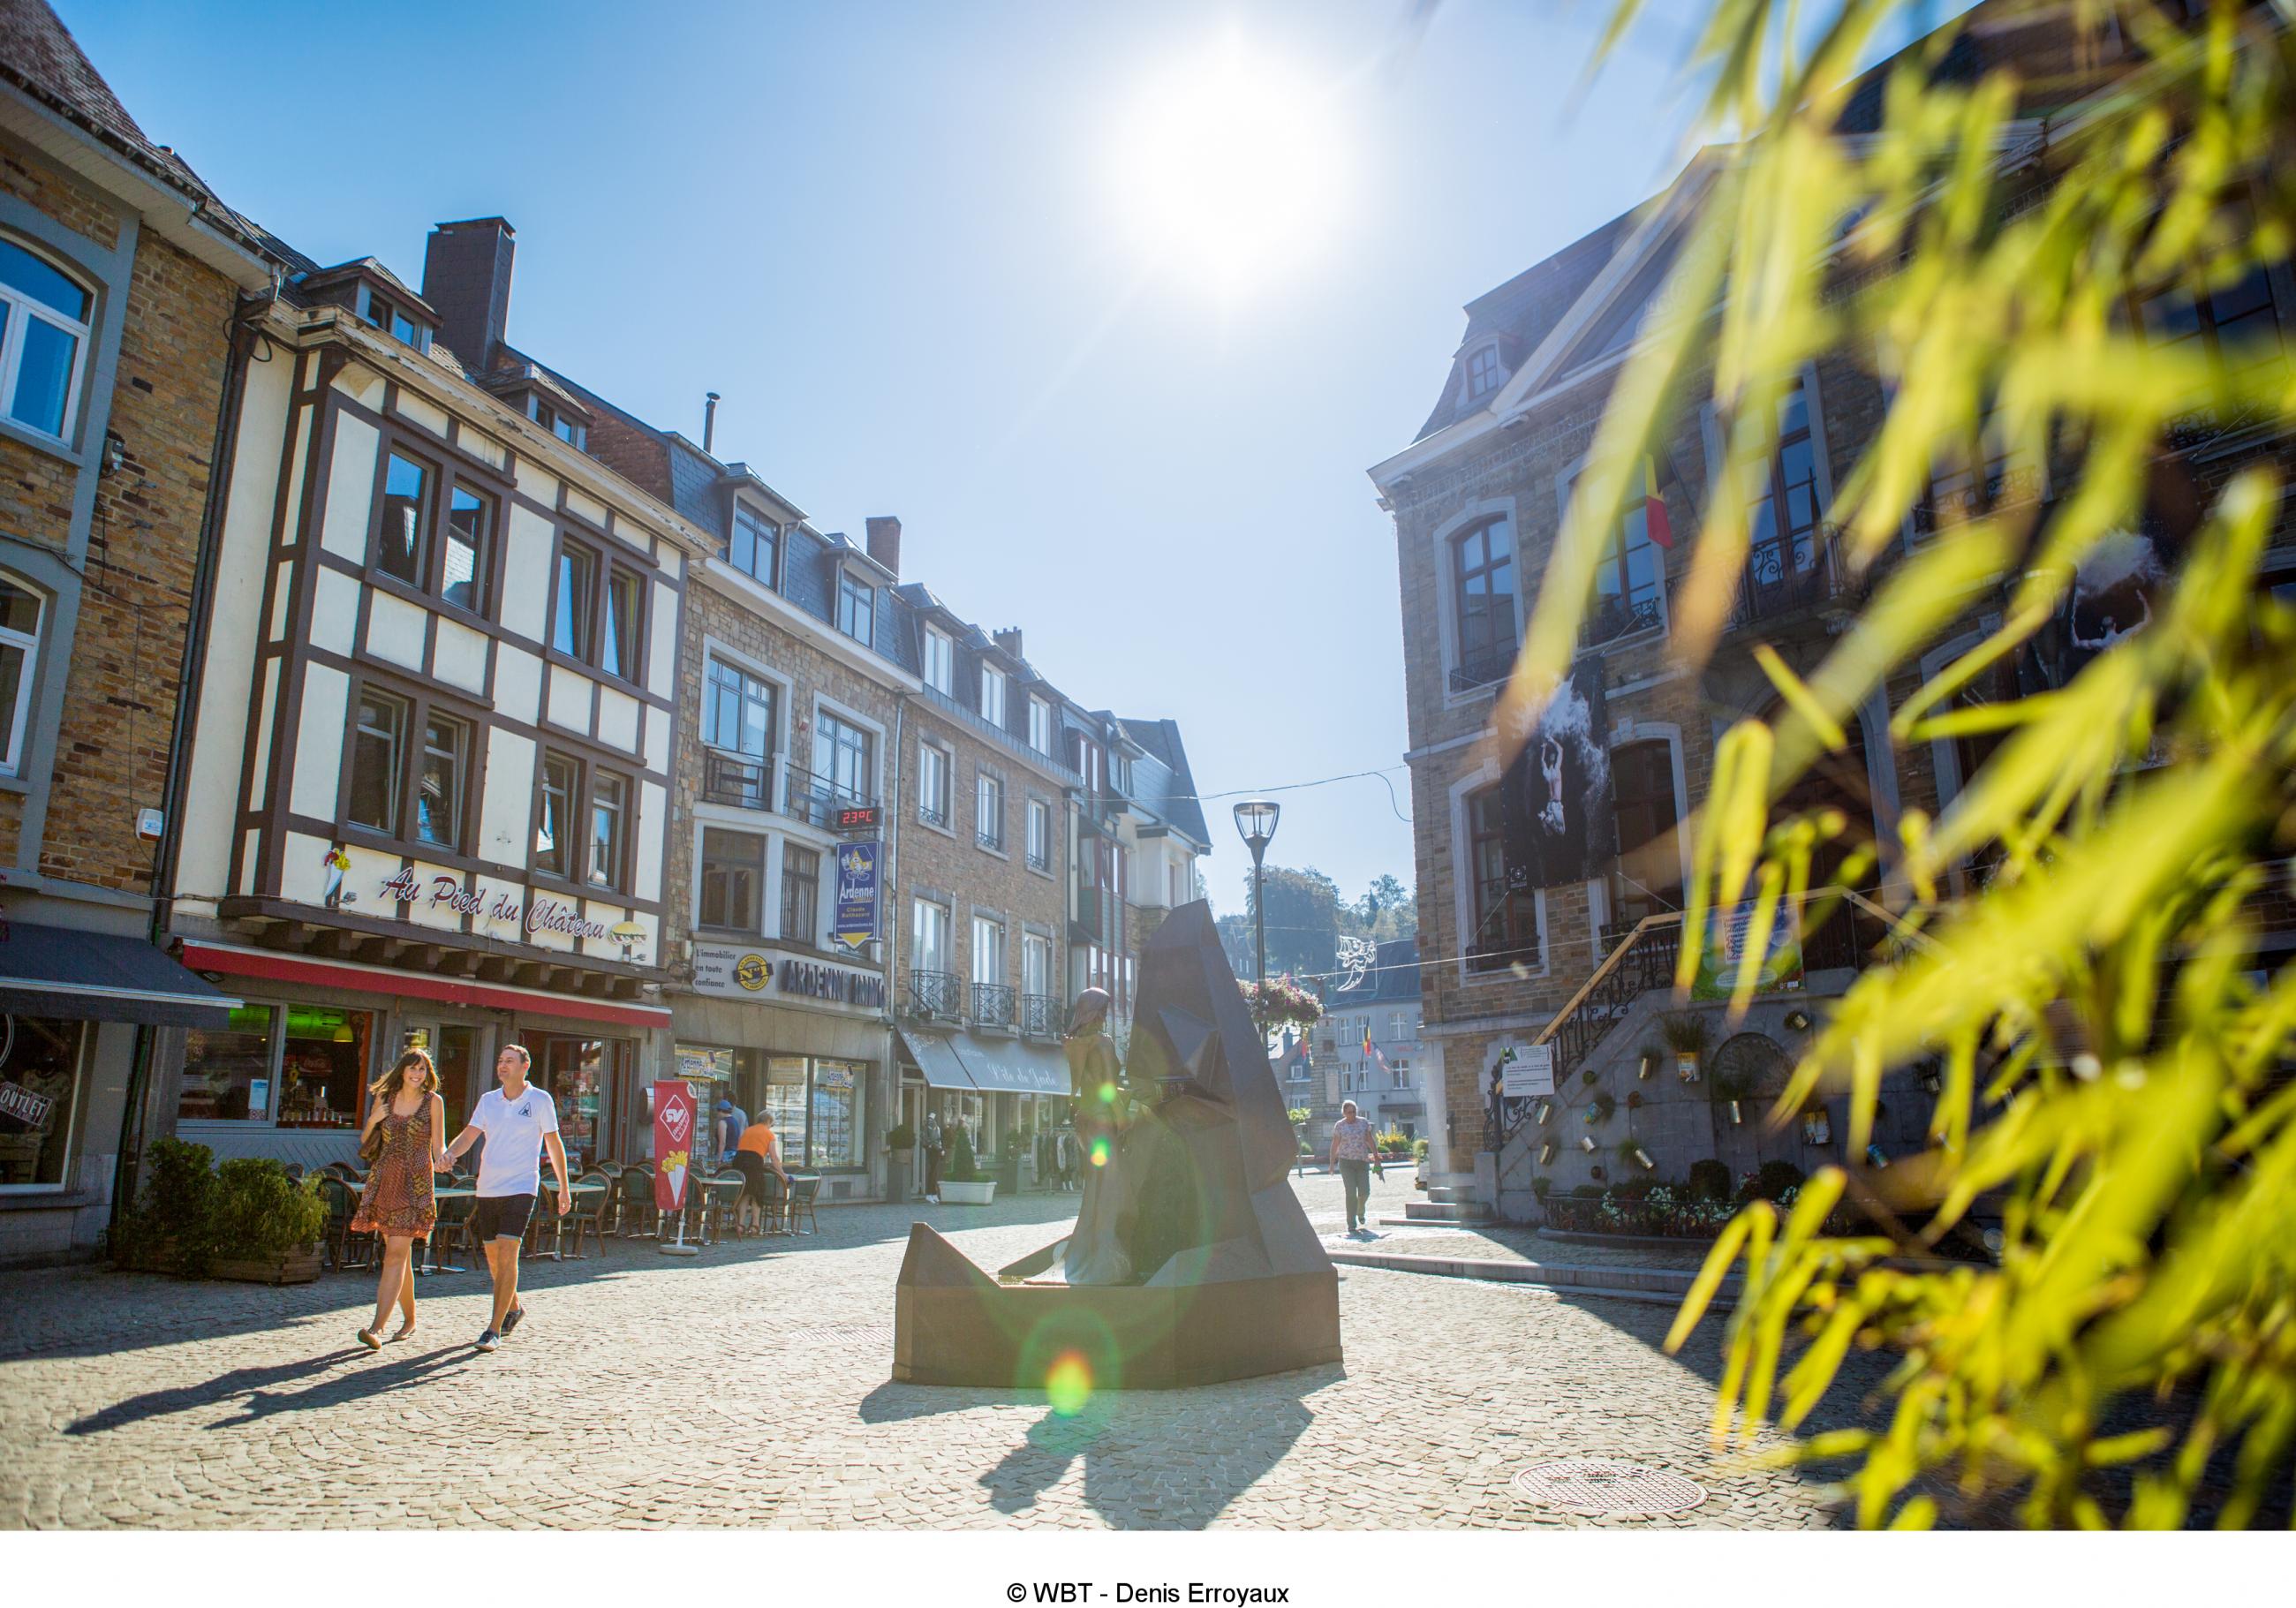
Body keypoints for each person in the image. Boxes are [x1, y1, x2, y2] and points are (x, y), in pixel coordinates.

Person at [440, 1045, 570, 1352]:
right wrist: (449, 1154)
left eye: (509, 1061)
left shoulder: (540, 1100)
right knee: (493, 1257)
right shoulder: (489, 1101)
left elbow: (554, 1144)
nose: (502, 1065)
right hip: (488, 1186)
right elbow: (469, 1135)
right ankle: (514, 1307)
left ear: (525, 1066)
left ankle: (493, 1329)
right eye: (500, 1060)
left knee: (508, 1251)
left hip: (522, 1186)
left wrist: (563, 1187)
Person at [351, 1048, 449, 1349]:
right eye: (413, 1068)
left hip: (416, 1182)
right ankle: (410, 1320)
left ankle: (377, 1328)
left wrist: (444, 1158)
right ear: (403, 1071)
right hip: (386, 1179)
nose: (417, 1074)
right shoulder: (386, 1098)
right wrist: (373, 1120)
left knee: (394, 1254)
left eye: (422, 1069)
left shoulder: (434, 1102)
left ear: (428, 1074)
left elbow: (438, 1144)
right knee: (399, 1254)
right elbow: (365, 1141)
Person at [1061, 987, 1133, 1284]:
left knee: (1094, 1186)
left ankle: (1086, 1249)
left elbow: (1083, 1086)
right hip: (1103, 1122)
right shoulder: (1103, 1043)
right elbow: (1107, 1088)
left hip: (1085, 1122)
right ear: (1096, 1012)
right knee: (1109, 1187)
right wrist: (1124, 1118)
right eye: (1103, 1010)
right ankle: (1104, 1252)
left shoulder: (1074, 1043)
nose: (1106, 1015)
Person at [1329, 1098, 1379, 1236]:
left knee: (1365, 1192)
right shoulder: (1340, 1125)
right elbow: (1335, 1144)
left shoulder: (1363, 1123)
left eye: (1353, 1112)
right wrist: (1332, 1163)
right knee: (1351, 1193)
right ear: (1344, 1113)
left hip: (1362, 1161)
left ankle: (1360, 1210)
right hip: (1346, 1163)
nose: (1352, 1114)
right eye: (1349, 1112)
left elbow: (1370, 1140)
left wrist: (1376, 1158)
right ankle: (1351, 1223)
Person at [732, 1111, 787, 1234]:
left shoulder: (748, 1130)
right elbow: (774, 1157)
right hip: (754, 1162)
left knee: (744, 1193)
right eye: (772, 1124)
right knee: (757, 1193)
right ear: (769, 1121)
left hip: (739, 1161)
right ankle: (755, 1225)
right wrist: (782, 1174)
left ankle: (740, 1224)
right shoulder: (769, 1134)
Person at [714, 1094, 748, 1166]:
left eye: (717, 1111)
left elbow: (722, 1142)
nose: (717, 1114)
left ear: (720, 1111)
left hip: (725, 1154)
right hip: (734, 1153)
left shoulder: (722, 1122)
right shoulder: (735, 1121)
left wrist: (719, 1159)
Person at [921, 1109, 944, 1204]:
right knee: (933, 1172)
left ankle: (933, 1194)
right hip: (934, 1150)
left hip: (931, 1149)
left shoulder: (927, 1123)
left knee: (933, 1172)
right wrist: (940, 1149)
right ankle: (930, 1194)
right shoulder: (932, 1123)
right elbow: (935, 1139)